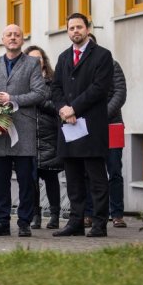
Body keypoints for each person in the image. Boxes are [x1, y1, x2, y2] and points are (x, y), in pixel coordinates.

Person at [0, 25, 49, 238]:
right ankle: (1, 222)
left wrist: (12, 100)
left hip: (23, 129)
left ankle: (24, 222)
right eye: (9, 35)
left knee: (26, 181)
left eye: (17, 35)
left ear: (22, 39)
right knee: (0, 180)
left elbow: (40, 93)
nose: (13, 38)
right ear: (2, 38)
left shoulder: (32, 63)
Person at [51, 13, 113, 238]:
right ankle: (75, 222)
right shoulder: (63, 57)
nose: (75, 31)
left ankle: (99, 224)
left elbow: (99, 88)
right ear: (67, 32)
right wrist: (62, 109)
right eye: (71, 28)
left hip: (91, 126)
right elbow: (55, 88)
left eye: (79, 27)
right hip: (68, 127)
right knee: (73, 178)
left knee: (96, 178)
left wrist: (73, 108)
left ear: (87, 29)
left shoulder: (102, 56)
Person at [83, 34, 128, 229]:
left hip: (111, 125)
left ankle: (117, 213)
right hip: (86, 127)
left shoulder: (112, 64)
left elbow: (120, 93)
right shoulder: (80, 68)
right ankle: (90, 213)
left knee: (114, 170)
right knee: (89, 172)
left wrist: (101, 116)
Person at [24, 45, 63, 230]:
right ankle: (35, 215)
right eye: (31, 58)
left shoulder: (53, 81)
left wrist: (39, 100)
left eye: (38, 58)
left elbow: (58, 108)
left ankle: (55, 215)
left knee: (51, 177)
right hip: (29, 136)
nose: (35, 62)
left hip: (49, 136)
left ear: (43, 61)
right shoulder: (23, 82)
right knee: (31, 180)